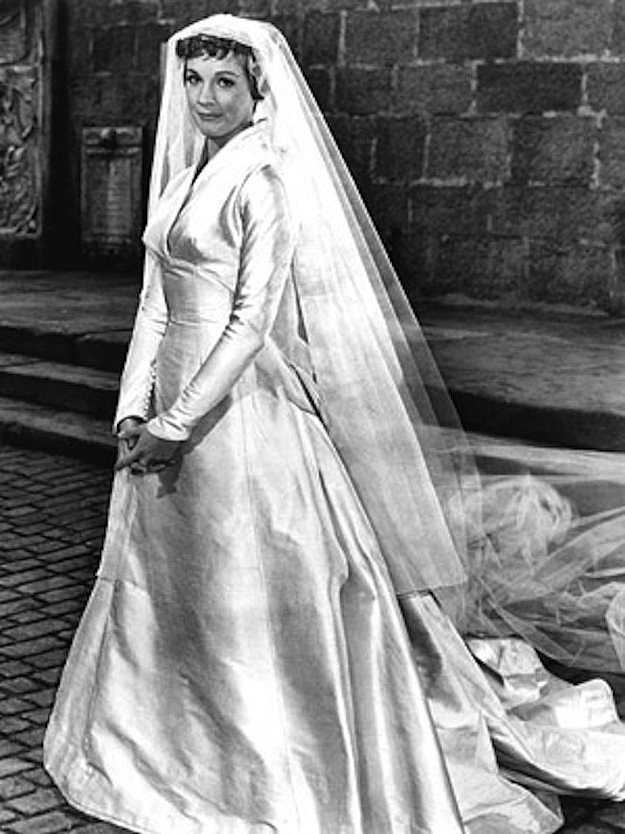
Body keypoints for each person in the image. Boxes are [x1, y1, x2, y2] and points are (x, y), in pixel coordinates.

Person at [44, 14, 625, 834]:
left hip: (241, 413)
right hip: (169, 405)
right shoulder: (180, 180)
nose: (206, 97)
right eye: (195, 80)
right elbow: (155, 304)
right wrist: (133, 407)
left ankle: (269, 757)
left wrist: (176, 420)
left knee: (248, 577)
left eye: (225, 83)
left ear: (257, 93)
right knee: (171, 579)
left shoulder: (263, 181)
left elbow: (250, 323)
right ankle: (166, 732)